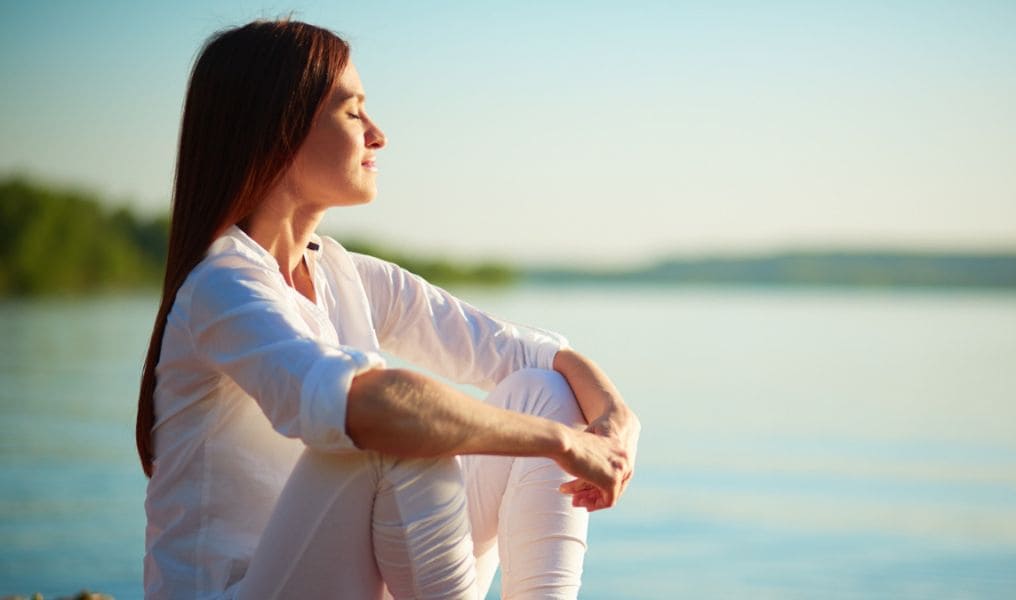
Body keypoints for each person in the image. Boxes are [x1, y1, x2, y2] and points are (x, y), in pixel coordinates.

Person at [136, 19, 640, 600]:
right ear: (279, 129)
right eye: (354, 113)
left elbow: (529, 352)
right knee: (391, 429)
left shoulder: (342, 272)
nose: (378, 135)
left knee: (542, 392)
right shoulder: (221, 285)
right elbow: (368, 406)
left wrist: (613, 417)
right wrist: (562, 443)